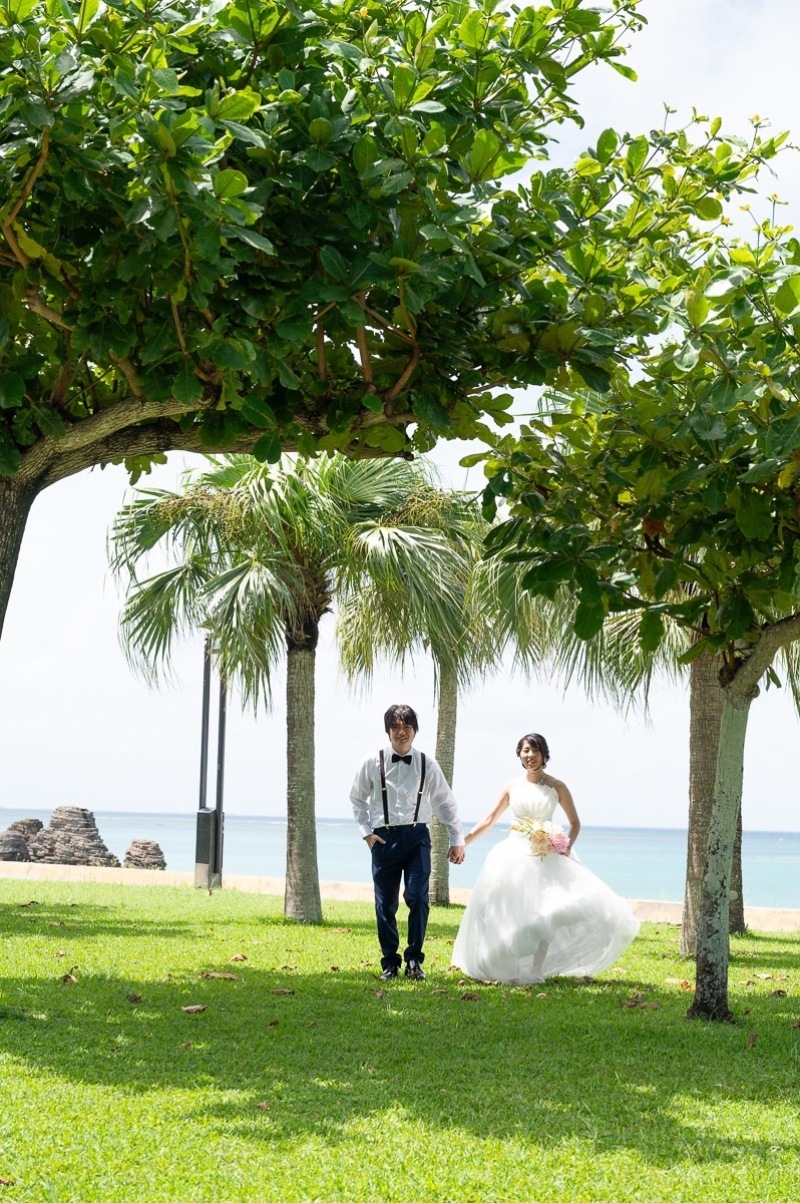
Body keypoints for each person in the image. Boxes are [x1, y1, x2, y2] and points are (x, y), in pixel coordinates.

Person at [451, 732, 639, 985]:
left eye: (535, 750)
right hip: (512, 854)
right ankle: (502, 962)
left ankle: (536, 968)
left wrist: (564, 846)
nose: (530, 756)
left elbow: (574, 823)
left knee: (546, 912)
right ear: (519, 755)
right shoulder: (511, 786)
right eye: (525, 751)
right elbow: (489, 820)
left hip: (545, 856)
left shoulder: (557, 787)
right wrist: (463, 842)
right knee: (504, 908)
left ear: (544, 754)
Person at [350, 703, 466, 982]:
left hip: (417, 837)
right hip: (384, 837)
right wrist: (367, 832)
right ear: (388, 730)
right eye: (396, 727)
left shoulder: (428, 764)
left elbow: (445, 802)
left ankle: (414, 959)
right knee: (385, 904)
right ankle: (390, 962)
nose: (401, 732)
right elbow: (356, 798)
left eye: (407, 726)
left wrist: (457, 838)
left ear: (415, 730)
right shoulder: (371, 761)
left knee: (417, 898)